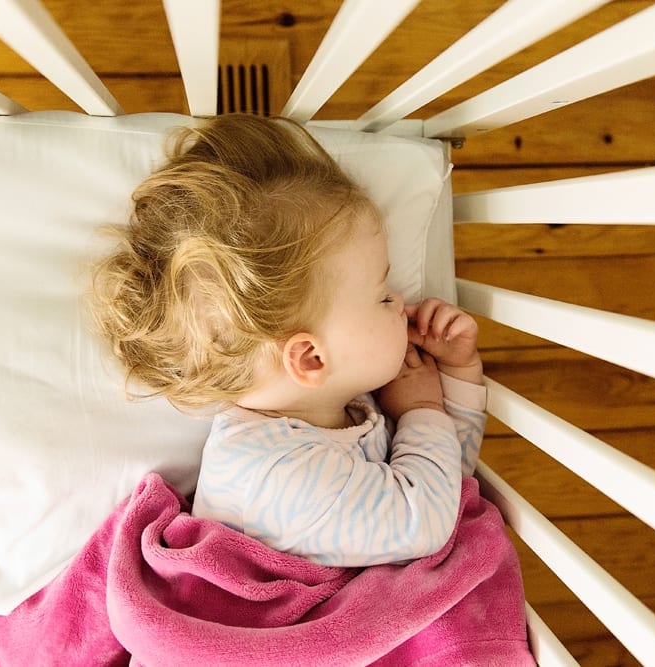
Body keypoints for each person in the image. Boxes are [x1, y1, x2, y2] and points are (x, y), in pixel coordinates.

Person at [91, 114, 486, 567]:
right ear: (311, 358)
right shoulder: (275, 474)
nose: (401, 301)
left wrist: (456, 371)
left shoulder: (340, 403)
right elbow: (428, 521)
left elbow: (447, 481)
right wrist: (423, 411)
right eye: (381, 296)